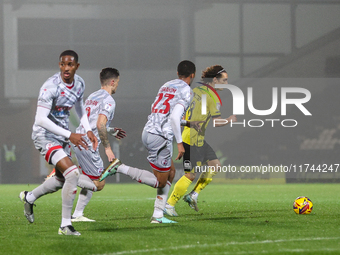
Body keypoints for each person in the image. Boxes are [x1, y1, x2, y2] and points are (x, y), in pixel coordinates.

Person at [19, 50, 98, 235]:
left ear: (77, 66)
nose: (66, 68)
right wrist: (70, 134)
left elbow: (79, 107)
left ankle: (30, 197)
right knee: (72, 173)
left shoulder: (79, 83)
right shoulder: (50, 86)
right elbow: (40, 119)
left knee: (62, 179)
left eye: (70, 65)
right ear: (59, 65)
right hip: (44, 136)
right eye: (63, 64)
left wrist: (87, 129)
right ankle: (65, 225)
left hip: (61, 135)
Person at [164, 65, 237, 216]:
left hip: (196, 138)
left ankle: (193, 195)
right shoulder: (213, 97)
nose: (226, 83)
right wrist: (229, 120)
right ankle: (169, 204)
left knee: (215, 165)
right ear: (214, 80)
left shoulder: (195, 90)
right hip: (191, 140)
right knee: (190, 175)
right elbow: (217, 122)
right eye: (224, 80)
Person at [140, 60, 195, 223]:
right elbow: (173, 117)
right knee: (161, 181)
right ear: (192, 75)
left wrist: (186, 123)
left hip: (148, 131)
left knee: (170, 172)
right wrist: (179, 143)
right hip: (161, 137)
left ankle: (159, 212)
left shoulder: (166, 85)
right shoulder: (187, 90)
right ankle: (121, 168)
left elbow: (158, 110)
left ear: (177, 74)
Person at [70, 67, 126, 222]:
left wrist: (110, 130)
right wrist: (107, 148)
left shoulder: (93, 96)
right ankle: (64, 175)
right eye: (118, 82)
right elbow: (100, 124)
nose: (117, 86)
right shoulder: (109, 100)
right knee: (99, 183)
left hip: (79, 139)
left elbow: (93, 122)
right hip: (88, 144)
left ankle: (77, 214)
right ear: (113, 82)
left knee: (88, 180)